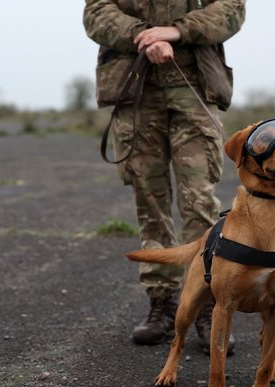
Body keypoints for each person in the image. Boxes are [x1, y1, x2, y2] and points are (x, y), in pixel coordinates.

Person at [83, 0, 245, 351]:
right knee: (150, 203)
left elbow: (232, 10)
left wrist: (177, 31)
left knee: (199, 199)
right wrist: (142, 35)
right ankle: (162, 304)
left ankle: (205, 305)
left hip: (195, 88)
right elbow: (96, 13)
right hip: (135, 89)